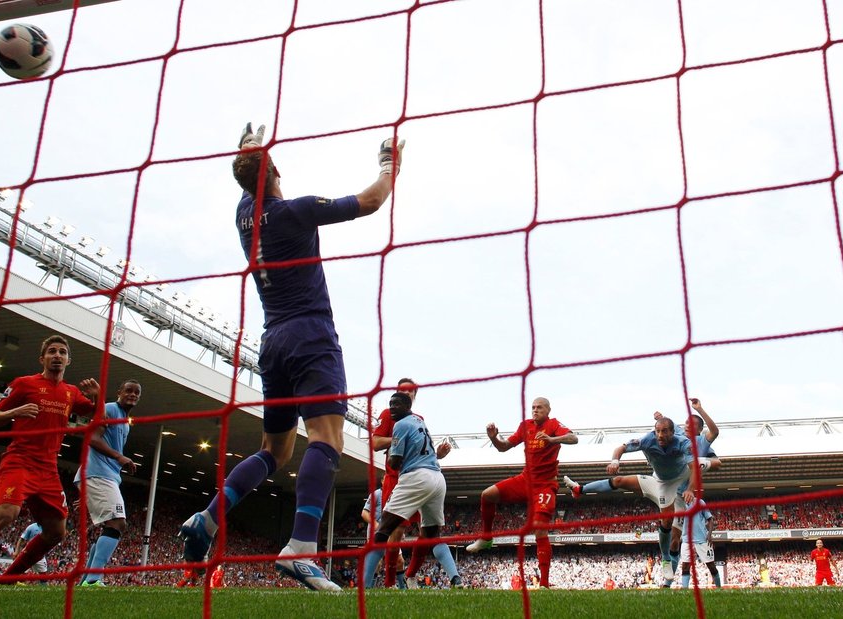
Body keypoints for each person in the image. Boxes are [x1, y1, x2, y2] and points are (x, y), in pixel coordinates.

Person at [178, 122, 405, 592]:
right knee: (328, 439)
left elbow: (251, 178)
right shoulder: (294, 213)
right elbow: (370, 201)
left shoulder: (245, 215)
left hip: (273, 341)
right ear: (276, 170)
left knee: (275, 450)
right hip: (310, 335)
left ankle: (208, 518)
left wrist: (246, 148)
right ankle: (300, 549)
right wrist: (389, 164)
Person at [0, 335, 99, 579]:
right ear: (42, 358)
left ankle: (9, 578)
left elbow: (98, 418)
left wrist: (97, 397)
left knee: (57, 532)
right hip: (20, 459)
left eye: (62, 352)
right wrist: (18, 411)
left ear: (68, 360)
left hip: (48, 468)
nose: (57, 355)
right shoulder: (25, 384)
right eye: (52, 351)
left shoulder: (71, 393)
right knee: (7, 512)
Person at [563, 416, 700, 588]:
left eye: (665, 431)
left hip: (679, 486)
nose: (660, 435)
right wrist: (615, 461)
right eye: (657, 431)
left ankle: (667, 583)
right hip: (660, 482)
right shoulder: (648, 440)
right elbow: (621, 447)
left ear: (673, 432)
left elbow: (695, 468)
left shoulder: (684, 443)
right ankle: (579, 489)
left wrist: (690, 489)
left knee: (674, 539)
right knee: (619, 481)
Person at [465, 397, 577, 589]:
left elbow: (573, 438)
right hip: (526, 480)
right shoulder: (525, 426)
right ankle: (486, 538)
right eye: (533, 407)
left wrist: (552, 439)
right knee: (487, 495)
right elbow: (504, 447)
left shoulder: (554, 424)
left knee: (540, 529)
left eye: (539, 407)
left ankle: (544, 584)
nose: (535, 410)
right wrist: (493, 438)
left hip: (545, 484)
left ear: (548, 410)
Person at [365, 392, 463, 588]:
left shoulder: (400, 425)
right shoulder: (420, 422)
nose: (392, 407)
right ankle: (456, 579)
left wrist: (393, 446)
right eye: (390, 404)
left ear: (408, 406)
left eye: (397, 404)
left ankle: (364, 584)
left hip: (416, 478)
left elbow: (395, 461)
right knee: (432, 535)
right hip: (437, 478)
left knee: (384, 529)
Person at [74, 379, 141, 586]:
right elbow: (93, 439)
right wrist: (119, 457)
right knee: (118, 523)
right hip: (98, 474)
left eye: (136, 392)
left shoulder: (125, 422)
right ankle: (93, 580)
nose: (132, 394)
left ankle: (87, 578)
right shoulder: (110, 410)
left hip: (105, 476)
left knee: (111, 526)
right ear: (119, 391)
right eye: (128, 390)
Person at [656, 398, 721, 577]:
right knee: (674, 541)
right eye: (685, 423)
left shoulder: (701, 442)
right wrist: (660, 417)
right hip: (676, 495)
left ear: (699, 430)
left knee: (689, 551)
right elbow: (666, 429)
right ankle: (667, 582)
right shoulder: (677, 437)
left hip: (691, 496)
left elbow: (715, 431)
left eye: (691, 425)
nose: (686, 426)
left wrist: (700, 409)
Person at [678, 495, 720, 589]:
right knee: (685, 566)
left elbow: (710, 519)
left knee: (711, 565)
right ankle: (685, 590)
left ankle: (719, 588)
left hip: (702, 539)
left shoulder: (700, 502)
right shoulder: (680, 503)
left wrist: (709, 535)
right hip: (686, 540)